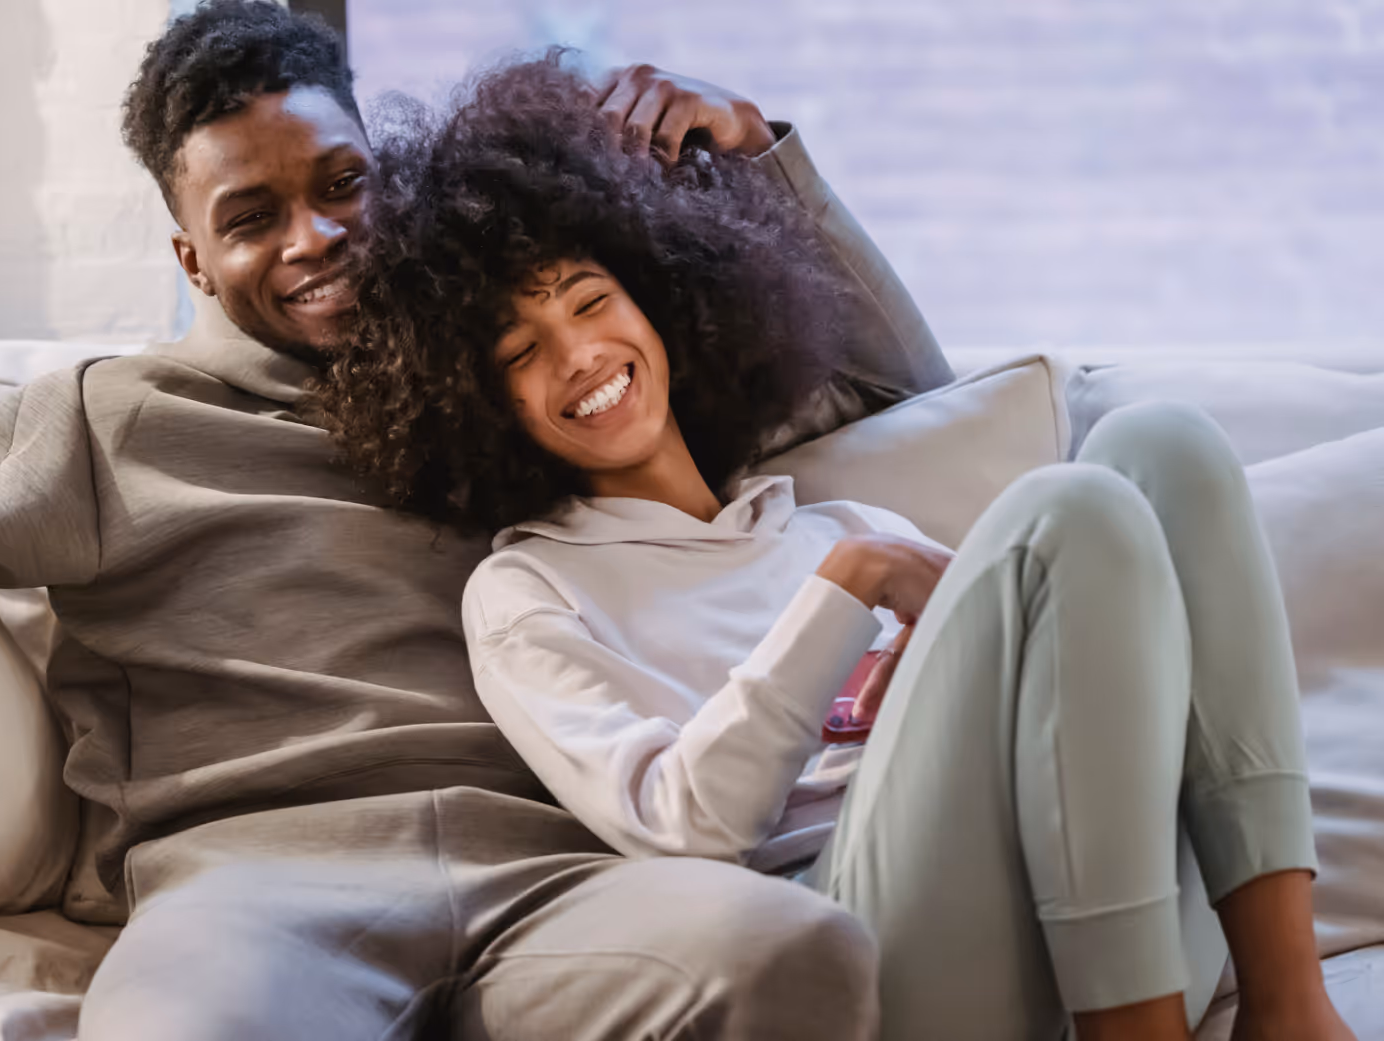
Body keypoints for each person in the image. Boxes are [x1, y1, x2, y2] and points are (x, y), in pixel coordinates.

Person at [0, 3, 950, 1038]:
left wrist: (762, 159)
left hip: (566, 870)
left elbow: (889, 392)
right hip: (260, 886)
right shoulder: (106, 421)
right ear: (189, 254)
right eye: (253, 214)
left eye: (340, 187)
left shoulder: (519, 375)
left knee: (786, 951)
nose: (313, 238)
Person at [314, 54, 1355, 1041]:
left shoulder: (833, 521)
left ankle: (1287, 1005)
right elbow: (681, 826)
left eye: (591, 302)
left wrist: (877, 583)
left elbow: (1046, 696)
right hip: (878, 947)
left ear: (661, 303)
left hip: (1093, 898)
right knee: (1069, 514)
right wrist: (843, 594)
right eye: (520, 353)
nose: (579, 353)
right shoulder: (528, 589)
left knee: (1161, 445)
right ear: (476, 404)